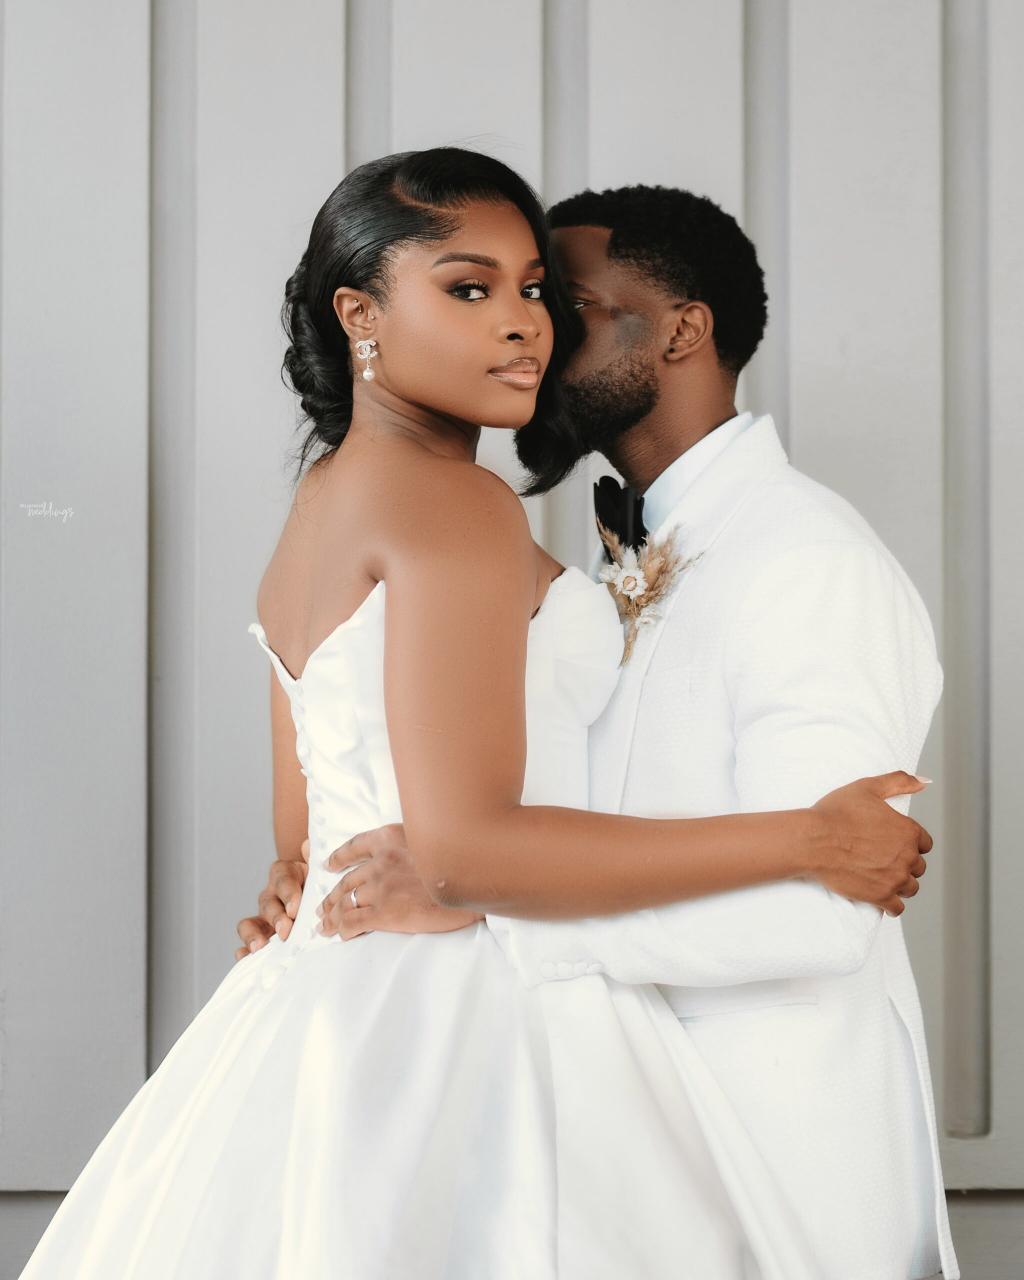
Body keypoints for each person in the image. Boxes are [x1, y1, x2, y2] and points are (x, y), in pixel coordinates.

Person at [21, 150, 932, 1280]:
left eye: (541, 293)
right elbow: (460, 852)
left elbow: (308, 843)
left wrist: (310, 888)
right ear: (359, 313)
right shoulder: (453, 503)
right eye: (469, 288)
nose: (525, 326)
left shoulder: (326, 498)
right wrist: (807, 836)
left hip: (335, 1017)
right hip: (469, 1021)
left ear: (684, 331)